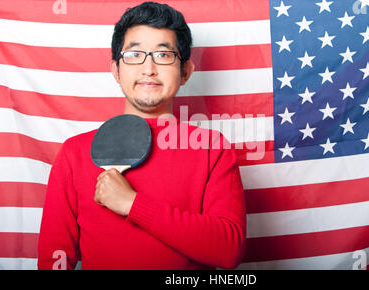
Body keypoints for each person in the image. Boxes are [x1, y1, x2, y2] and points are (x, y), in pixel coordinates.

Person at [37, 1, 246, 270]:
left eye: (163, 55)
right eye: (134, 55)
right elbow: (53, 258)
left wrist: (132, 204)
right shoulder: (74, 153)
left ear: (185, 72)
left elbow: (228, 250)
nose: (148, 69)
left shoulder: (212, 149)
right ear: (115, 70)